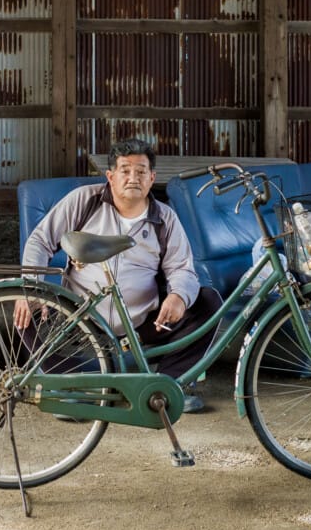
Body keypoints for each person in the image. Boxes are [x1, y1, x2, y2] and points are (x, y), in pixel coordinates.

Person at [13, 138, 218, 413]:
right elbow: (40, 241)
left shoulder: (165, 218)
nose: (133, 177)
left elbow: (182, 267)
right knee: (24, 308)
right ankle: (71, 388)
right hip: (79, 321)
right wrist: (32, 287)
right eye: (125, 170)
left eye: (141, 171)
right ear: (110, 176)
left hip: (146, 324)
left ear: (152, 177)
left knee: (207, 301)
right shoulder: (84, 201)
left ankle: (166, 385)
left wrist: (179, 296)